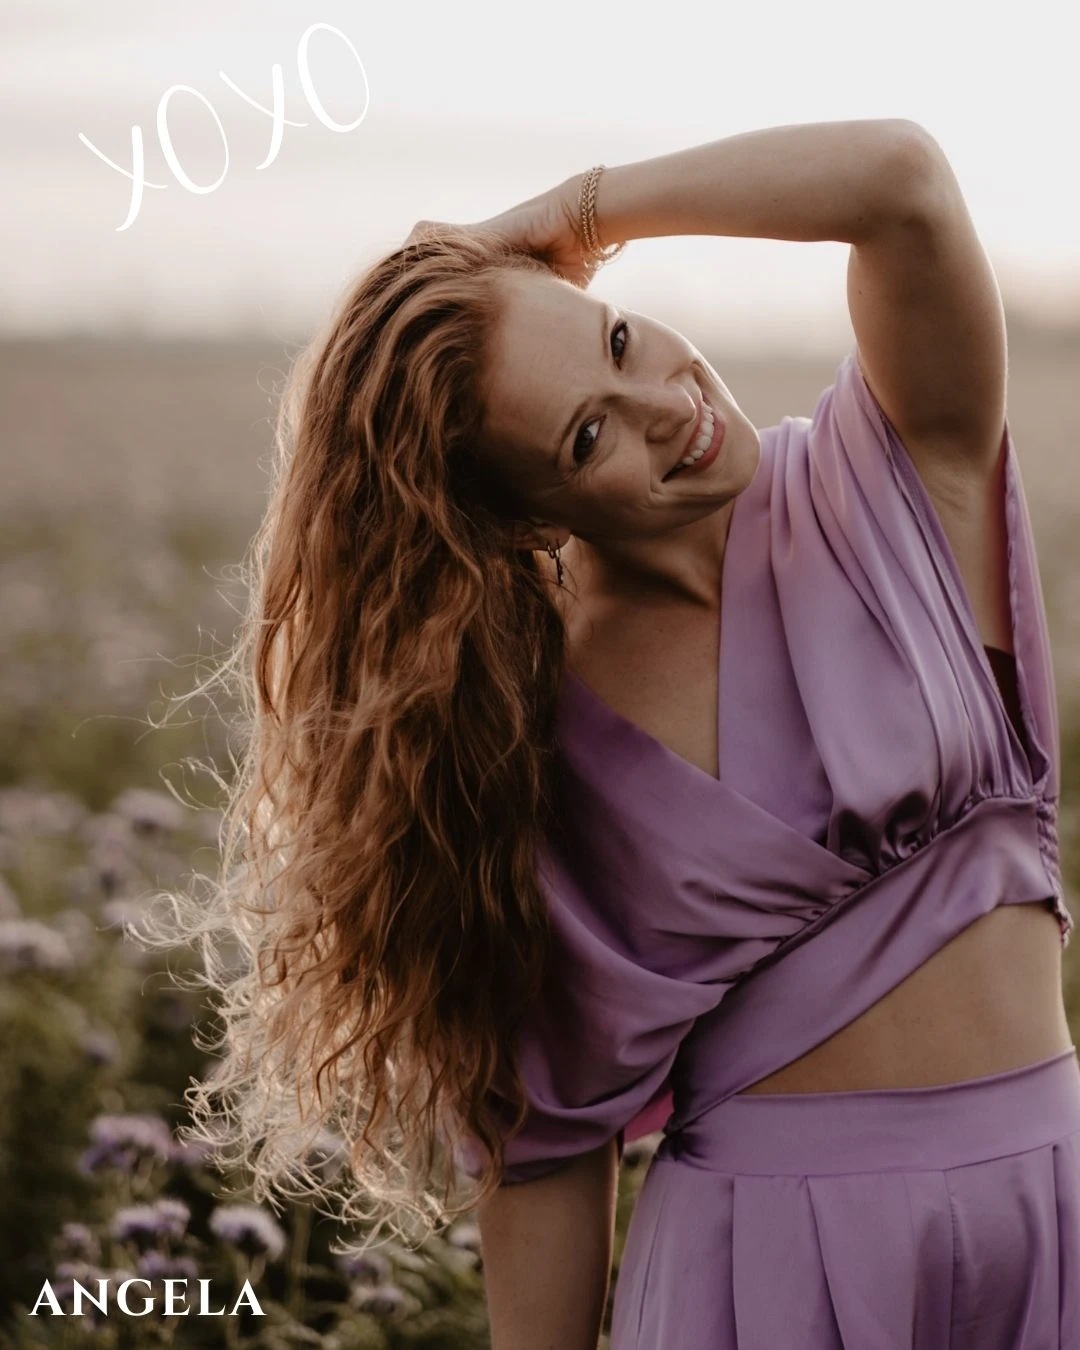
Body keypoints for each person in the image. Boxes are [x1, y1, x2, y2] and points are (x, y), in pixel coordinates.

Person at [150, 120, 1078, 1348]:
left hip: (1052, 1212)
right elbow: (542, 1156)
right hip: (769, 1279)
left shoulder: (895, 482)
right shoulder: (519, 749)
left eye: (622, 340)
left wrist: (570, 218)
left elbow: (899, 182)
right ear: (530, 521)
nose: (664, 407)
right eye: (588, 436)